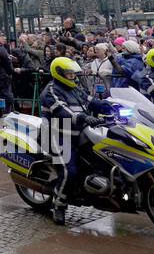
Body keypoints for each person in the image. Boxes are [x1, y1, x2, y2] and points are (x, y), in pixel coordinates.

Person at [39, 56, 108, 226]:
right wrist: (84, 117)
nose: (73, 77)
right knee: (70, 171)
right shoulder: (51, 90)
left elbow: (91, 101)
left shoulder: (76, 88)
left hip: (79, 132)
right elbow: (63, 111)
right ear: (60, 74)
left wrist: (112, 106)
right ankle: (59, 206)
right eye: (69, 74)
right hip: (57, 134)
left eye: (73, 74)